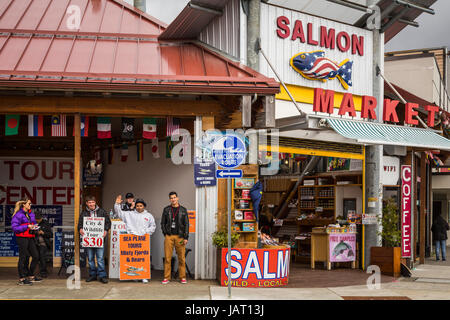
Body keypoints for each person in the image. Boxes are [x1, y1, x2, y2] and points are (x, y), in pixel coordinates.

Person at [114, 195, 156, 283]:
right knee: (132, 258)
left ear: (144, 206)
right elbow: (119, 213)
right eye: (137, 206)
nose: (139, 207)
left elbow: (153, 226)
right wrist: (117, 204)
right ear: (135, 206)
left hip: (143, 240)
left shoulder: (149, 216)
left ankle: (143, 276)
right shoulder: (129, 214)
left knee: (142, 258)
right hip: (131, 239)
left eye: (141, 206)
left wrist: (145, 232)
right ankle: (133, 276)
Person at [78, 195, 111, 283]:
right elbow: (80, 224)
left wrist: (105, 230)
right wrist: (80, 229)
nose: (91, 204)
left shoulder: (102, 212)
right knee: (90, 258)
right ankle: (92, 275)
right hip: (88, 240)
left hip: (99, 239)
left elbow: (108, 222)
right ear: (86, 204)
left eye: (93, 202)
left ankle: (102, 275)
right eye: (89, 202)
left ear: (95, 202)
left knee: (100, 258)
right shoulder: (83, 213)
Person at [11, 198, 42, 285]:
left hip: (30, 236)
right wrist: (27, 226)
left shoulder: (30, 213)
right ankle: (22, 278)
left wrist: (35, 227)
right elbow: (15, 228)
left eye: (30, 204)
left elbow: (33, 223)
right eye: (29, 203)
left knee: (36, 256)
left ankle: (31, 275)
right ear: (24, 204)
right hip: (22, 237)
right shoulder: (18, 214)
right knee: (23, 258)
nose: (30, 205)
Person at [161, 191, 189, 285]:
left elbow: (186, 224)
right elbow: (162, 223)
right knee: (168, 258)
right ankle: (166, 277)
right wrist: (165, 233)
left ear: (177, 198)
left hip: (180, 237)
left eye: (174, 197)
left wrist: (186, 237)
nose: (173, 199)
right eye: (171, 198)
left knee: (181, 258)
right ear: (170, 199)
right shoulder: (166, 209)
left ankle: (182, 277)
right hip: (169, 236)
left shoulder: (183, 210)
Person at [34, 212, 52, 278]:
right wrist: (35, 232)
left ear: (41, 218)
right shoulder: (32, 223)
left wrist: (43, 233)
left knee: (42, 256)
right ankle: (31, 272)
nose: (37, 220)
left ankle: (43, 271)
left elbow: (50, 234)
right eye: (36, 219)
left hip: (43, 243)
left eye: (39, 219)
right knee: (35, 257)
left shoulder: (46, 223)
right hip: (34, 243)